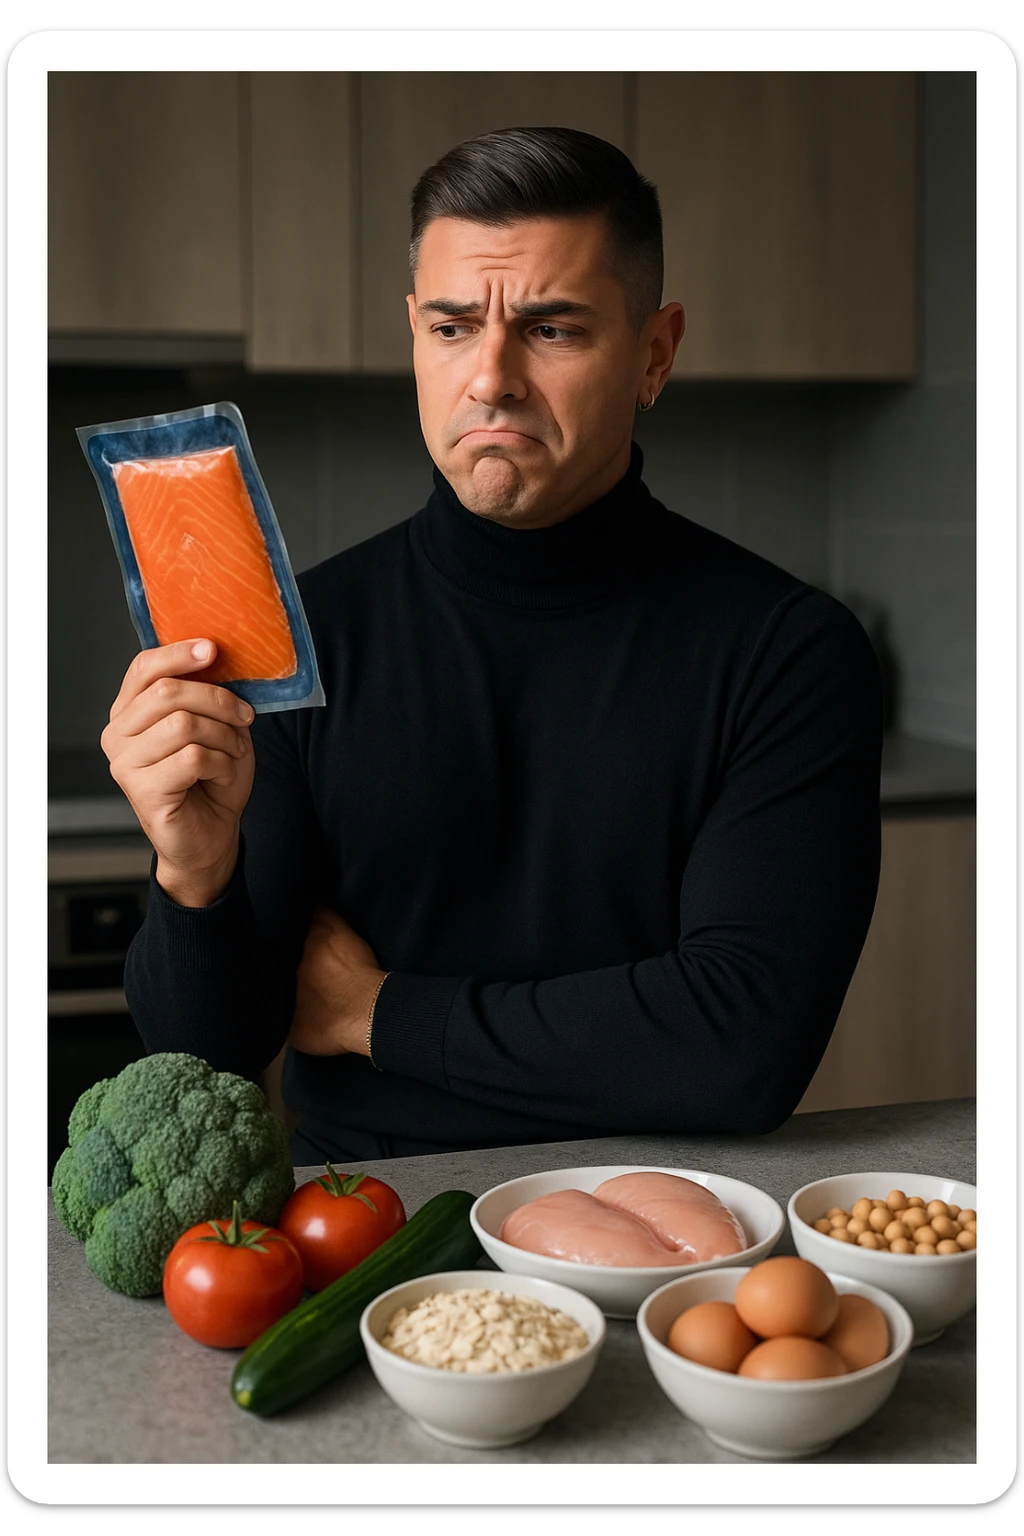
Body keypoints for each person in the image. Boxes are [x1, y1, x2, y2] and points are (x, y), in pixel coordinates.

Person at [105, 126, 883, 1167]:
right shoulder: (302, 637)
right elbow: (209, 1057)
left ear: (654, 354)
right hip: (366, 1221)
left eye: (551, 329)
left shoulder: (787, 653)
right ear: (414, 337)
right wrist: (194, 875)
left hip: (668, 1219)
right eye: (453, 326)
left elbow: (742, 1047)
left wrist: (376, 1012)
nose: (491, 377)